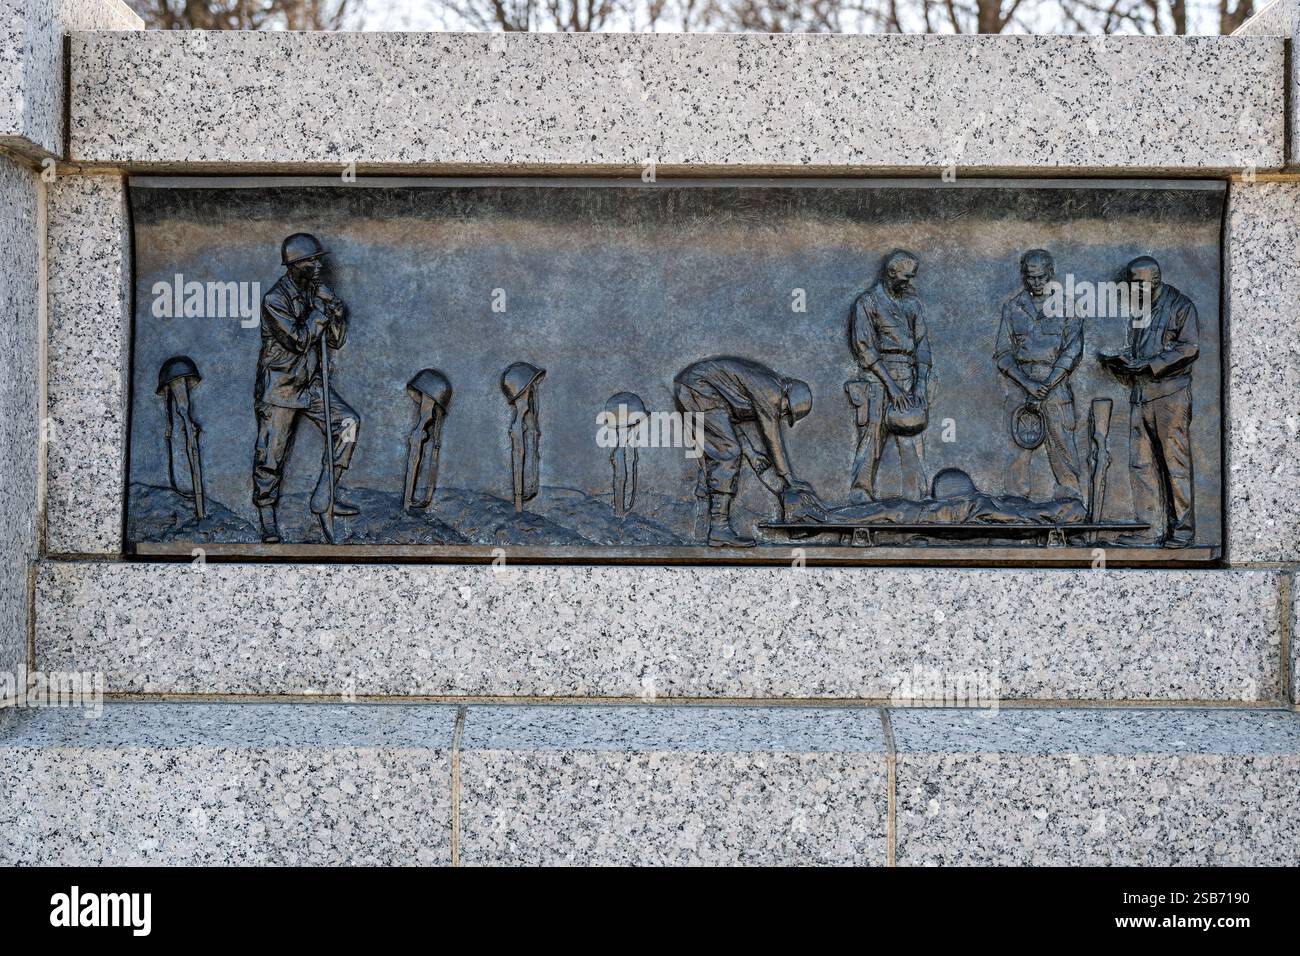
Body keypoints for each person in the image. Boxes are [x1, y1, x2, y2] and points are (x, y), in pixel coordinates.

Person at [252, 233, 360, 543]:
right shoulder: (274, 300)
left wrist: (335, 310)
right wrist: (321, 311)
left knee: (349, 423)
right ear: (295, 264)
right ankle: (267, 513)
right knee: (270, 457)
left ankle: (324, 495)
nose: (318, 264)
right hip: (281, 389)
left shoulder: (316, 291)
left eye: (318, 259)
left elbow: (335, 341)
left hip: (310, 384)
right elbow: (298, 340)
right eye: (312, 260)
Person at [1099, 256, 1199, 547]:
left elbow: (1189, 348)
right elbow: (1141, 348)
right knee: (1141, 464)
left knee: (1175, 464)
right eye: (1132, 283)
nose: (1134, 289)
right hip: (1141, 395)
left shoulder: (1181, 306)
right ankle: (1149, 529)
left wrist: (1152, 365)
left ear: (1155, 280)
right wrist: (1126, 362)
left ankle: (1182, 532)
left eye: (1139, 283)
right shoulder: (1140, 308)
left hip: (1170, 396)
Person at [673, 356, 818, 547]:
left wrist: (751, 454)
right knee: (728, 452)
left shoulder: (753, 391)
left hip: (697, 389)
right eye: (786, 410)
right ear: (787, 395)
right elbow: (772, 437)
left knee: (725, 449)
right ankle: (718, 528)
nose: (782, 415)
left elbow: (728, 425)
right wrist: (789, 477)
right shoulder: (772, 391)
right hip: (697, 387)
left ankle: (709, 524)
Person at [994, 249, 1083, 500]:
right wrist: (1027, 384)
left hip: (1055, 385)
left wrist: (1047, 384)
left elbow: (1073, 350)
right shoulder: (1013, 307)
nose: (1035, 282)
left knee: (1062, 444)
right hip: (1020, 383)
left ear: (1050, 274)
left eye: (1041, 277)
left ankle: (1071, 500)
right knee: (1017, 448)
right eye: (1030, 277)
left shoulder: (1068, 307)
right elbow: (1002, 354)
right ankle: (1015, 501)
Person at [847, 250, 930, 500]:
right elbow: (865, 349)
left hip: (908, 375)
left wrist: (920, 383)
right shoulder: (868, 302)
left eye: (912, 276)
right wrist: (892, 387)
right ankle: (861, 491)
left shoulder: (912, 304)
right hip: (877, 378)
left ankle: (917, 495)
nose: (910, 282)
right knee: (872, 435)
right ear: (891, 273)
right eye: (906, 277)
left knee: (912, 437)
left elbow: (922, 346)